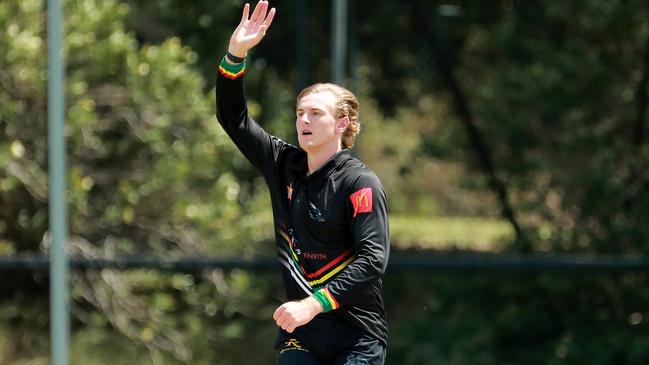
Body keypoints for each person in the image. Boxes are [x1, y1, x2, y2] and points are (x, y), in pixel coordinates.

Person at [215, 2, 390, 364]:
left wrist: (314, 303)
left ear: (342, 123)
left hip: (356, 335)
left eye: (316, 113)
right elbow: (233, 119)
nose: (304, 120)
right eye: (300, 113)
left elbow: (373, 259)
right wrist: (236, 54)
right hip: (302, 335)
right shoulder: (284, 165)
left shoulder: (359, 183)